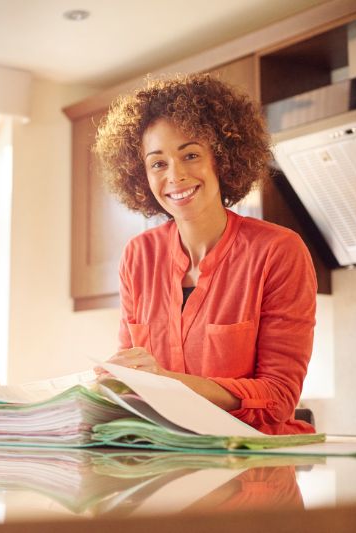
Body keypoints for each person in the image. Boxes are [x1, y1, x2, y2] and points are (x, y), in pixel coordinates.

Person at [94, 73, 316, 435]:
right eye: (158, 163)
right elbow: (132, 372)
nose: (175, 175)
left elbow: (279, 396)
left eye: (191, 155)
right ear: (141, 175)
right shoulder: (139, 256)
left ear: (222, 158)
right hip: (168, 463)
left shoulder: (277, 251)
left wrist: (168, 382)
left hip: (253, 474)